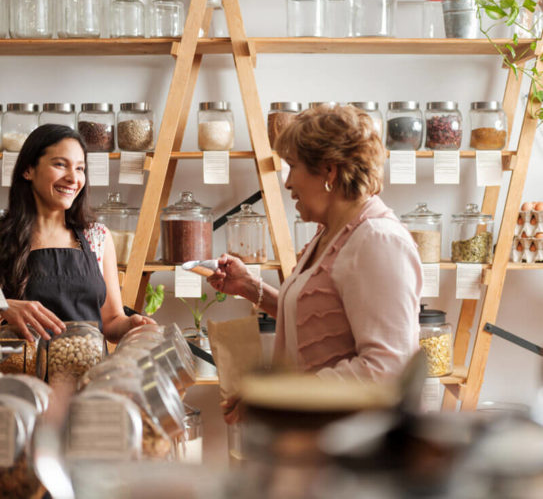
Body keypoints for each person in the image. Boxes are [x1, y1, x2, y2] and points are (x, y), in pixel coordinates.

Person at [208, 104, 422, 387]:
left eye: (293, 167)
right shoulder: (330, 233)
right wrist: (249, 286)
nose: (287, 182)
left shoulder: (378, 240)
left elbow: (388, 370)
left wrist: (280, 395)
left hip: (350, 430)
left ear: (329, 171)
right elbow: (319, 318)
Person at [0, 124, 155, 344]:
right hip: (19, 375)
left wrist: (132, 325)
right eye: (60, 165)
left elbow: (111, 321)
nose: (74, 178)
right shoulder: (3, 233)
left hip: (87, 375)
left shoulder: (97, 237)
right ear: (28, 170)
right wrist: (4, 306)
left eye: (80, 168)